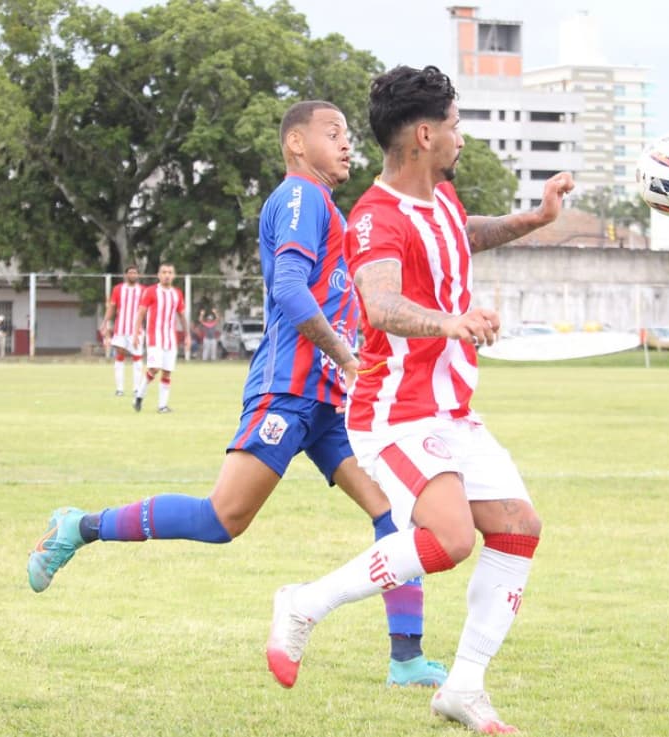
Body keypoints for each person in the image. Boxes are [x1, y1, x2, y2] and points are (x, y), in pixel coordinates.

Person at [27, 100, 447, 688]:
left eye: (349, 134)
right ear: (297, 145)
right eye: (334, 133)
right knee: (221, 519)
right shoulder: (299, 197)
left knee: (394, 516)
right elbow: (290, 290)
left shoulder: (325, 205)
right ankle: (79, 526)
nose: (347, 143)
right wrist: (349, 358)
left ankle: (406, 659)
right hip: (289, 389)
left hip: (326, 400)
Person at [264, 66, 575, 735]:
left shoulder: (440, 200)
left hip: (452, 409)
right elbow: (378, 302)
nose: (461, 137)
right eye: (457, 125)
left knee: (519, 525)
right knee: (453, 535)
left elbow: (467, 233)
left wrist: (537, 217)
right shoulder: (375, 216)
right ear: (426, 134)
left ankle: (463, 686)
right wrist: (450, 322)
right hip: (393, 410)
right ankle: (303, 603)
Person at [132, 263, 190, 413]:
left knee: (167, 372)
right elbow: (141, 313)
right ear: (158, 275)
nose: (167, 275)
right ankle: (139, 395)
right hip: (154, 337)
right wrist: (135, 333)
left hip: (170, 338)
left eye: (170, 272)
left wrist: (187, 335)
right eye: (164, 272)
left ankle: (162, 406)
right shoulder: (151, 291)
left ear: (174, 275)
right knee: (154, 368)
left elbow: (182, 316)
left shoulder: (177, 293)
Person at [102, 266, 145, 397]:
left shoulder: (143, 290)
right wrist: (105, 322)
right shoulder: (118, 289)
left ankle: (137, 389)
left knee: (137, 359)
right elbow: (112, 307)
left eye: (135, 273)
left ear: (138, 275)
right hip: (120, 329)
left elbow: (146, 310)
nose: (132, 274)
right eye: (130, 272)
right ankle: (120, 389)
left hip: (136, 331)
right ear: (126, 275)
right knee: (119, 357)